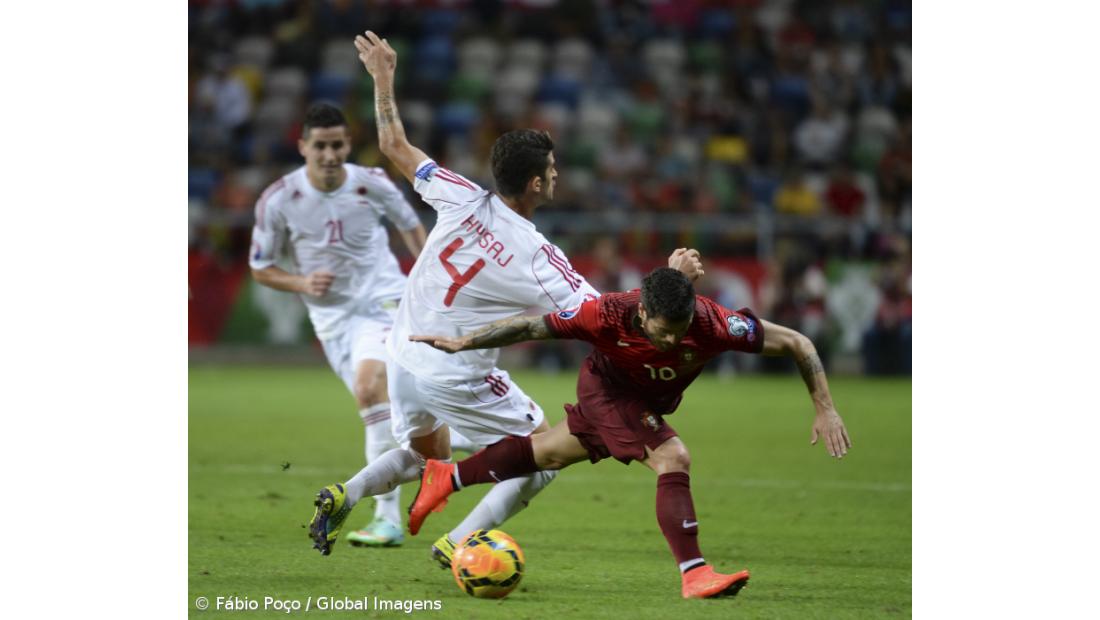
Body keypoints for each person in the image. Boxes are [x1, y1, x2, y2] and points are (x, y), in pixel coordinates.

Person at [306, 32, 704, 562]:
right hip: (454, 373)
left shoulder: (458, 194)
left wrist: (382, 79)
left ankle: (346, 493)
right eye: (553, 170)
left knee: (428, 455)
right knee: (543, 455)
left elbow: (394, 146)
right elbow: (607, 312)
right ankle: (459, 544)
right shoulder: (538, 257)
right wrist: (671, 277)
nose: (558, 175)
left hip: (401, 354)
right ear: (536, 184)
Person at [405, 267, 853, 599]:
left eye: (680, 333)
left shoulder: (714, 324)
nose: (673, 343)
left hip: (638, 401)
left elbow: (798, 343)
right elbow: (530, 326)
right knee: (672, 457)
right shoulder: (606, 314)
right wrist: (465, 342)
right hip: (606, 390)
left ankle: (447, 477)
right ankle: (694, 571)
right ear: (642, 312)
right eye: (663, 332)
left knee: (549, 453)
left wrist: (825, 408)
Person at [250, 102, 478, 547]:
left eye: (337, 145)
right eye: (320, 146)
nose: (330, 154)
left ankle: (386, 519)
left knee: (370, 385)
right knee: (382, 407)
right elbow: (260, 267)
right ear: (303, 147)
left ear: (348, 145)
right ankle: (462, 437)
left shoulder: (372, 183)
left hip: (384, 300)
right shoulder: (278, 200)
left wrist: (427, 281)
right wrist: (299, 280)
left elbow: (414, 229)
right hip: (332, 320)